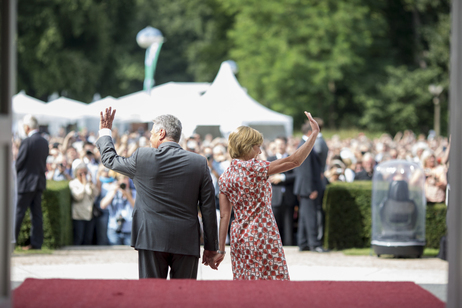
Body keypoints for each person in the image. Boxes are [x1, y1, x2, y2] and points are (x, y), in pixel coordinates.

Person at [96, 108, 218, 279]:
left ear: (161, 133)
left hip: (151, 237)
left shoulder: (142, 156)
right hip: (186, 240)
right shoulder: (199, 162)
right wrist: (211, 247)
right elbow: (209, 208)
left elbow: (110, 160)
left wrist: (105, 132)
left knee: (151, 296)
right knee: (184, 297)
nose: (150, 138)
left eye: (151, 134)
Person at [214, 111, 319, 280]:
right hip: (263, 232)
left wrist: (220, 249)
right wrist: (313, 135)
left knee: (245, 284)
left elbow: (225, 216)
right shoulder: (256, 168)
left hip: (239, 236)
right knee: (274, 284)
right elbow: (294, 161)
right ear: (247, 146)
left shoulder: (225, 176)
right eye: (257, 146)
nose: (260, 150)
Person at [15, 114, 49, 250]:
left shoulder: (27, 142)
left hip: (26, 183)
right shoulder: (44, 141)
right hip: (39, 181)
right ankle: (36, 243)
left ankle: (12, 241)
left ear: (27, 127)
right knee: (36, 215)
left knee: (19, 213)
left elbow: (19, 163)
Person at [293, 121, 327, 253]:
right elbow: (306, 171)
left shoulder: (303, 144)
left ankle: (303, 242)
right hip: (308, 188)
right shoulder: (305, 145)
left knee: (304, 216)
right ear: (309, 132)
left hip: (304, 188)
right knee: (311, 216)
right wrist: (311, 189)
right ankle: (314, 243)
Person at [267, 137, 297, 246]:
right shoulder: (270, 159)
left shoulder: (291, 158)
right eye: (278, 144)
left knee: (288, 223)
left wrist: (283, 178)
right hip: (275, 197)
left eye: (282, 144)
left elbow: (295, 175)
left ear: (286, 145)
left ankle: (288, 245)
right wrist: (273, 178)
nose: (280, 146)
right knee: (274, 224)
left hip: (288, 196)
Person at [100, 173, 136, 245]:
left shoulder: (133, 193)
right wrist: (113, 191)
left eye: (126, 181)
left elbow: (136, 207)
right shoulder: (113, 192)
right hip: (114, 229)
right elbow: (103, 205)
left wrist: (127, 194)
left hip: (129, 230)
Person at [69, 162, 99, 245]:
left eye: (85, 173)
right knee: (79, 237)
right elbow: (77, 197)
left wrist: (91, 184)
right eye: (81, 173)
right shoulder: (73, 183)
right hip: (78, 215)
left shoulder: (89, 183)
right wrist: (84, 185)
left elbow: (96, 194)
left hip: (89, 214)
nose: (83, 175)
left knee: (88, 238)